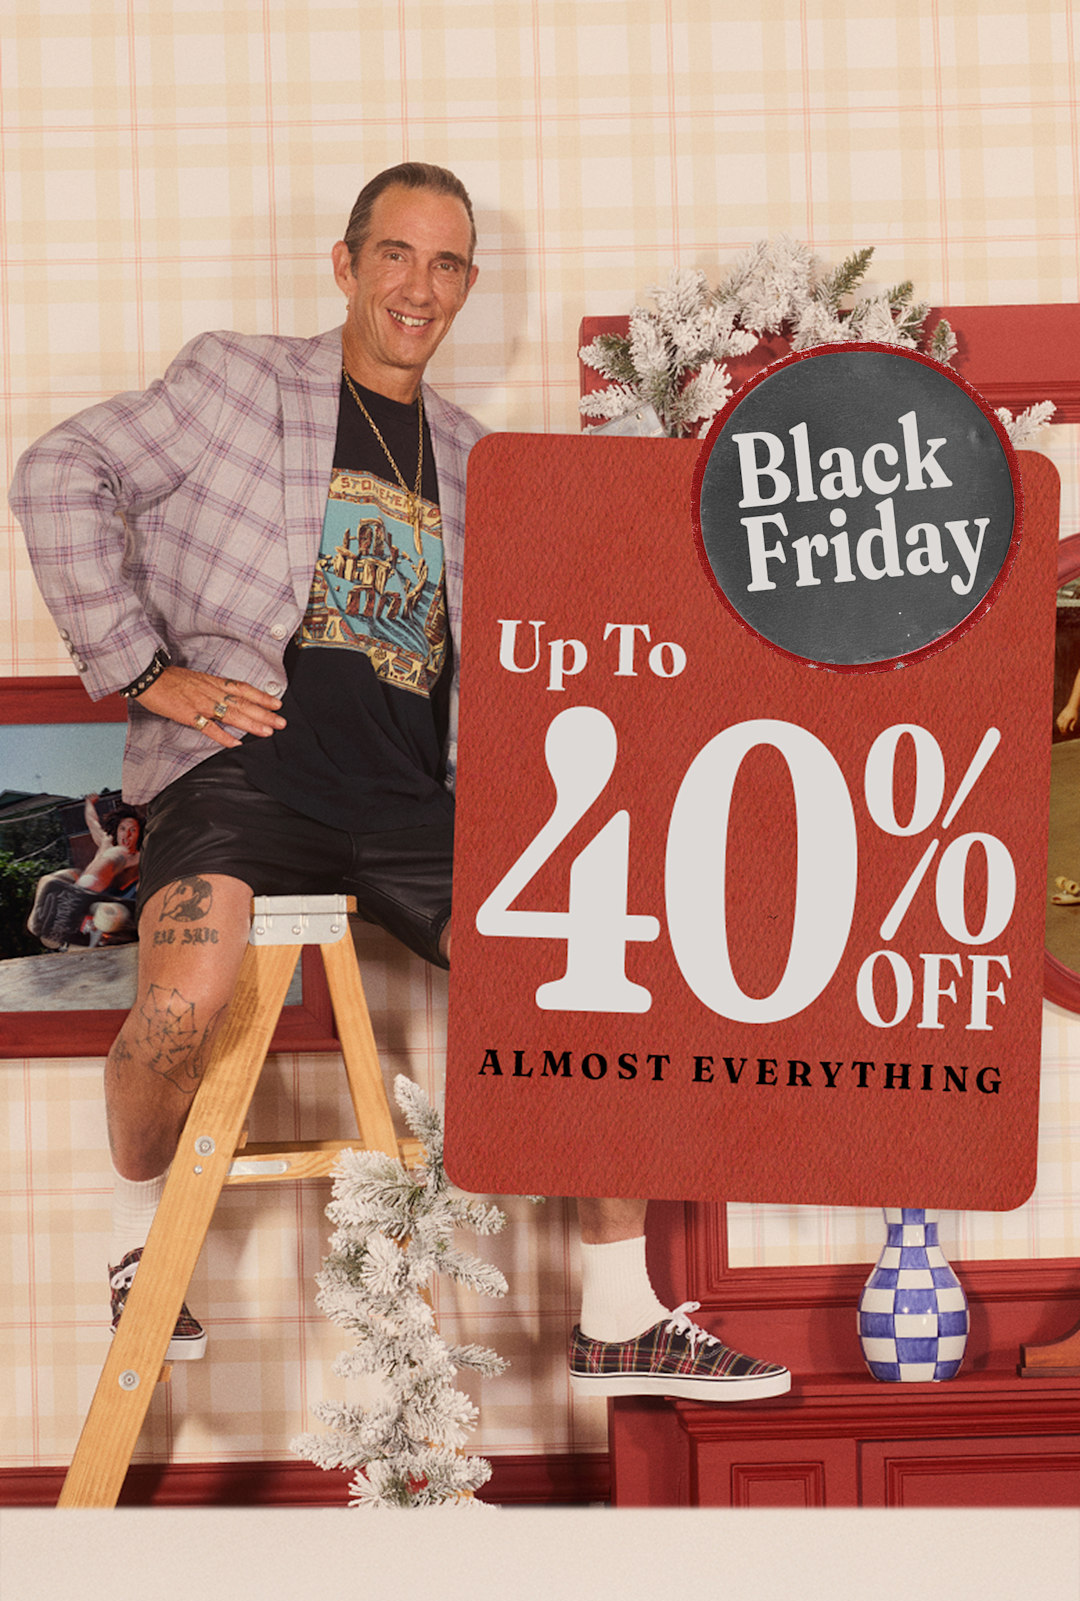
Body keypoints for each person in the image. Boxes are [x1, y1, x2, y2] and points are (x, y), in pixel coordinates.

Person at [10, 162, 789, 1397]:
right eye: (396, 255)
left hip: (416, 804)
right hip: (243, 778)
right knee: (175, 1010)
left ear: (467, 285)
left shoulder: (484, 463)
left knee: (605, 975)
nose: (417, 286)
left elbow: (538, 653)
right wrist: (143, 668)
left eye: (446, 264)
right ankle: (144, 1252)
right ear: (347, 262)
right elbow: (58, 471)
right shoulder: (239, 381)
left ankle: (617, 1315)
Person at [27, 796, 143, 949]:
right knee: (49, 880)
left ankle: (88, 898)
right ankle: (42, 921)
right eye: (123, 829)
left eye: (132, 830)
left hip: (116, 900)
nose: (127, 835)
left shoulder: (142, 855)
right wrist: (89, 803)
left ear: (139, 834)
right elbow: (92, 821)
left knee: (121, 855)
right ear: (116, 830)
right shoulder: (105, 840)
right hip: (83, 895)